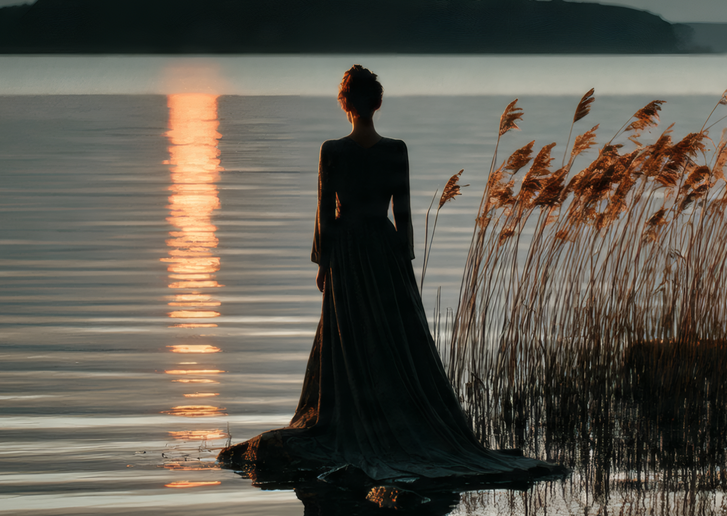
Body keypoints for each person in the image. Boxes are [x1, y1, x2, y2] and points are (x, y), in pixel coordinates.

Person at [221, 65, 558, 483]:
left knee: (349, 333)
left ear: (345, 103)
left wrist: (323, 263)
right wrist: (404, 259)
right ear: (376, 103)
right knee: (392, 334)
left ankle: (356, 418)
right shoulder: (395, 149)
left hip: (346, 250)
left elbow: (325, 214)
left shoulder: (333, 151)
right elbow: (403, 214)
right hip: (382, 247)